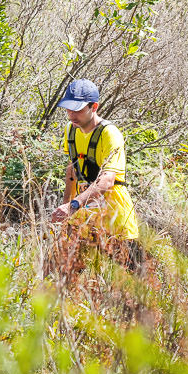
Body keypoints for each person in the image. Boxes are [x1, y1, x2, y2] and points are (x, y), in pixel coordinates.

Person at [50, 79, 143, 272]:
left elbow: (107, 181)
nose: (71, 115)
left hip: (117, 219)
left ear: (94, 107)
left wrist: (73, 205)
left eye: (77, 109)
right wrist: (66, 208)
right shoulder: (70, 130)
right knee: (64, 274)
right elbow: (72, 170)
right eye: (68, 109)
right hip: (86, 216)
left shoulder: (110, 134)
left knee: (133, 285)